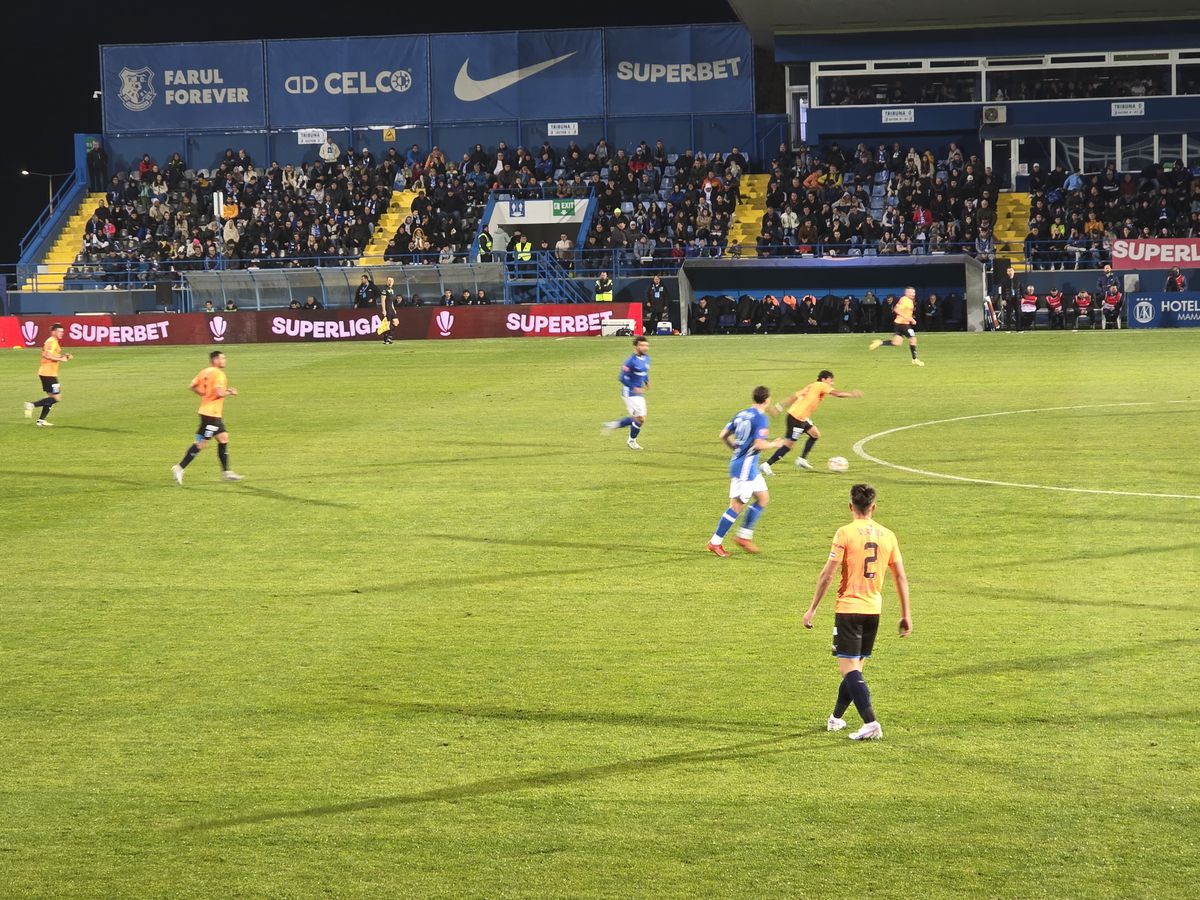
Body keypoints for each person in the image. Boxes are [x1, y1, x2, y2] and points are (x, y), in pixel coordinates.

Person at [802, 483, 912, 741]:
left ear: (851, 506)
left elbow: (828, 573)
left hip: (849, 608)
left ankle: (871, 722)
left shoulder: (845, 533)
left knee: (848, 670)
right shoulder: (889, 535)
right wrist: (906, 613)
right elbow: (901, 577)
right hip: (873, 611)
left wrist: (812, 608)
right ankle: (835, 718)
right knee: (855, 671)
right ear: (873, 507)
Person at [706, 385, 784, 557]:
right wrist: (774, 444)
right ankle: (715, 542)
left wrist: (736, 448)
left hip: (747, 467)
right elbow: (759, 444)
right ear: (767, 400)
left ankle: (743, 536)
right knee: (736, 506)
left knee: (763, 498)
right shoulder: (761, 419)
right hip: (745, 469)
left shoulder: (742, 414)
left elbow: (723, 435)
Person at [761, 370, 862, 474]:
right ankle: (767, 465)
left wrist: (779, 407)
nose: (832, 383)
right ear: (824, 379)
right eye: (830, 381)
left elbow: (794, 397)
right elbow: (838, 394)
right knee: (788, 445)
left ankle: (802, 460)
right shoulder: (821, 385)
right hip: (797, 419)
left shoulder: (811, 386)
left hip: (800, 417)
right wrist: (852, 394)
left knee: (815, 434)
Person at [172, 350, 242, 484]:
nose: (224, 360)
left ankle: (227, 472)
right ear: (215, 360)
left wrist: (204, 394)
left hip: (208, 412)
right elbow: (219, 393)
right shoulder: (219, 374)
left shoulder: (205, 371)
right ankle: (179, 468)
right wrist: (230, 392)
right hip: (212, 415)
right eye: (222, 358)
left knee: (223, 438)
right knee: (201, 443)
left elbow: (192, 386)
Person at [602, 336, 650, 450]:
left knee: (638, 418)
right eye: (642, 345)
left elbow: (644, 371)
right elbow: (622, 378)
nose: (645, 348)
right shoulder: (630, 361)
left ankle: (614, 425)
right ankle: (631, 441)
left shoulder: (647, 358)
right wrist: (633, 387)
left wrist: (647, 382)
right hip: (630, 393)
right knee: (640, 419)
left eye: (646, 345)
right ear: (636, 346)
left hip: (639, 393)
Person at [24, 323, 72, 427]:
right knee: (56, 398)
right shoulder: (52, 341)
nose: (61, 333)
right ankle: (32, 405)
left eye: (62, 332)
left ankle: (41, 420)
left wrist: (64, 356)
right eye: (59, 331)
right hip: (48, 374)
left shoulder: (52, 342)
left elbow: (52, 355)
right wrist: (61, 359)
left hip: (47, 373)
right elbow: (47, 355)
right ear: (53, 332)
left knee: (50, 399)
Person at [868, 285, 925, 366]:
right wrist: (910, 319)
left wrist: (910, 318)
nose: (914, 294)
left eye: (914, 292)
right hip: (903, 324)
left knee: (896, 342)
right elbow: (896, 309)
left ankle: (880, 342)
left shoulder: (909, 300)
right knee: (913, 339)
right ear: (906, 293)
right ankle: (915, 359)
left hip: (899, 324)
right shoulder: (904, 299)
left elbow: (904, 311)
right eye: (912, 292)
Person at [379, 276, 399, 345]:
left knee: (396, 322)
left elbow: (391, 301)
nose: (390, 282)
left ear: (393, 282)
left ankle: (388, 336)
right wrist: (384, 310)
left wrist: (393, 309)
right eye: (389, 280)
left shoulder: (392, 290)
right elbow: (382, 300)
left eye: (391, 281)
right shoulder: (384, 289)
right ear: (387, 281)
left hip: (391, 308)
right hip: (387, 309)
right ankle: (386, 338)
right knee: (388, 324)